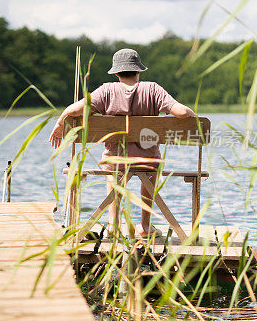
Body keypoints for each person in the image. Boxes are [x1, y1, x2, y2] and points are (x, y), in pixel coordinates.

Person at [48, 48, 195, 238]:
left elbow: (73, 111)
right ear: (139, 71)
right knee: (151, 168)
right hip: (148, 161)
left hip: (115, 161)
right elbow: (182, 113)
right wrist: (194, 116)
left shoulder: (106, 91)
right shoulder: (153, 89)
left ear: (116, 73)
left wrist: (60, 124)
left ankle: (113, 226)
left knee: (113, 168)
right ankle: (144, 225)